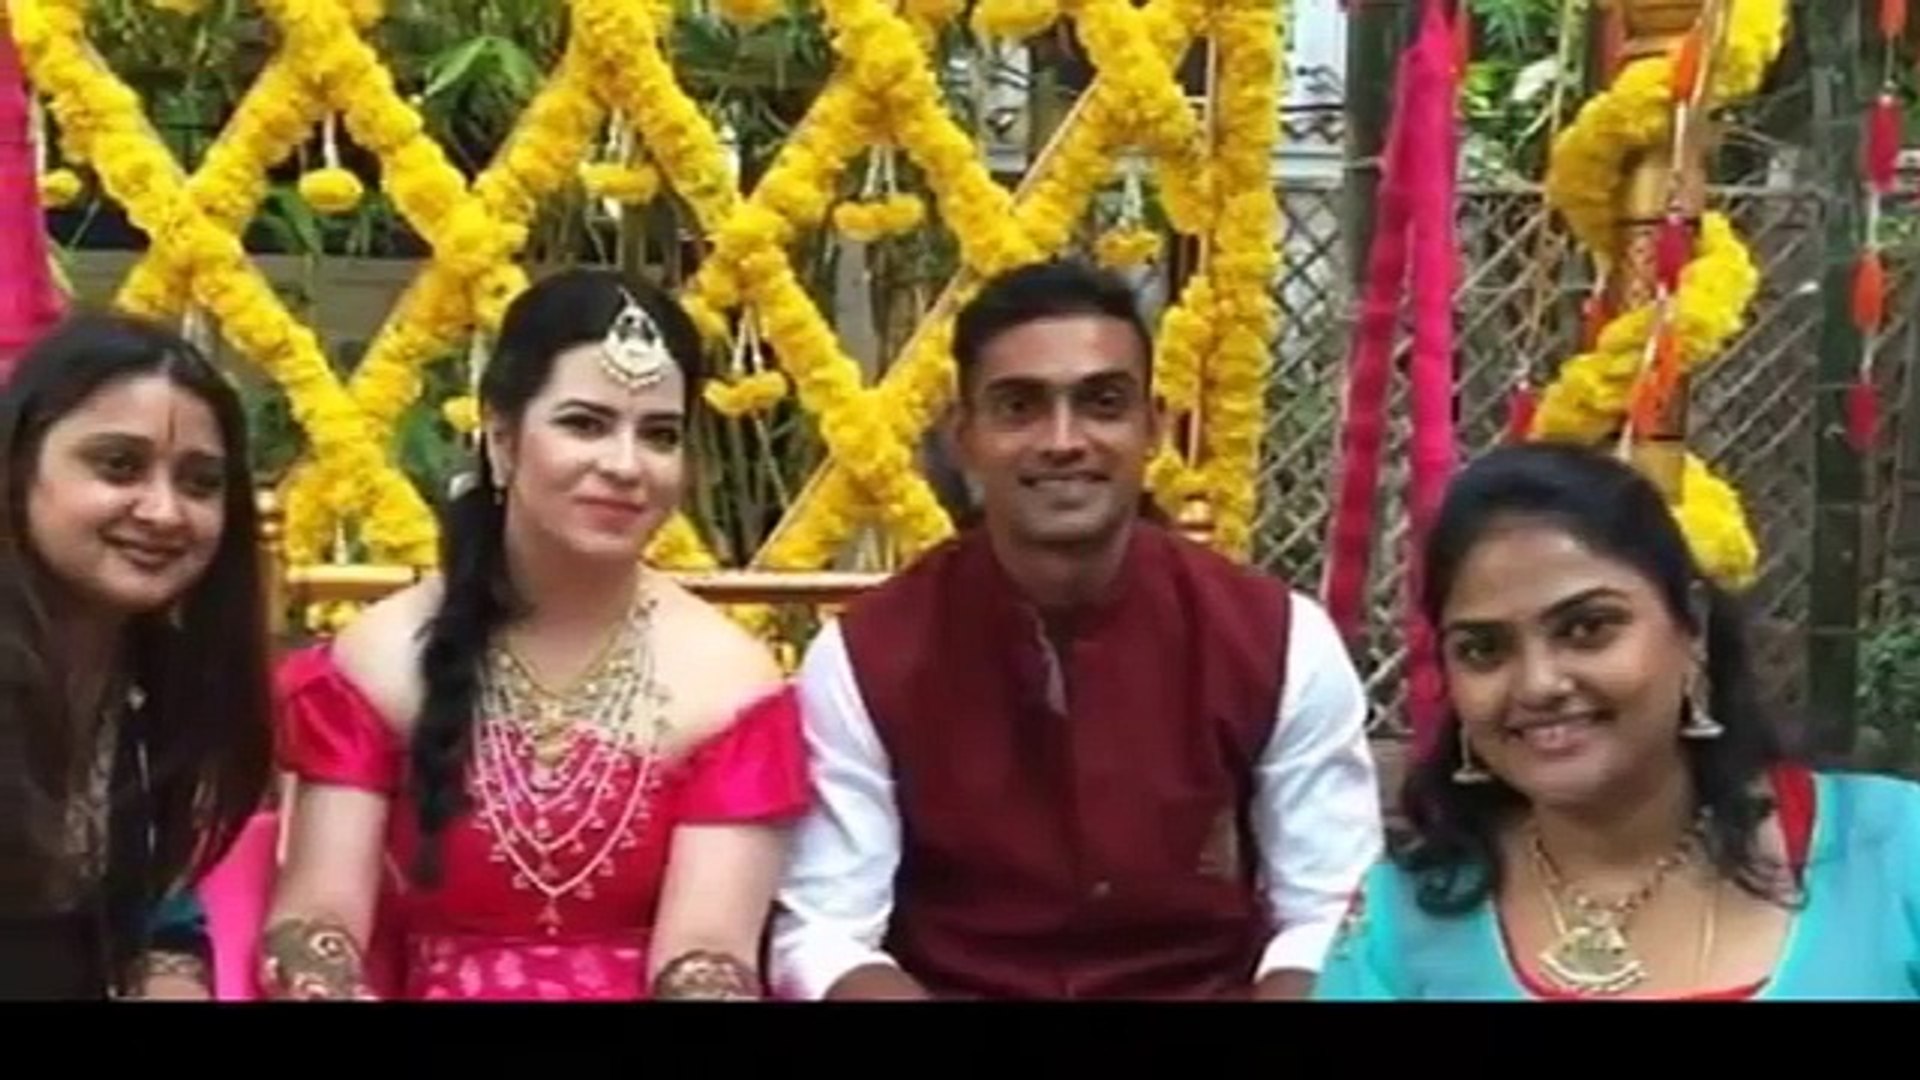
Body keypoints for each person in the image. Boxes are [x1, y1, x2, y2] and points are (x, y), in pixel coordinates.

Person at [768, 259, 1384, 1000]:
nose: (1063, 440)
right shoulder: (869, 655)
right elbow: (826, 932)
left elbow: (1330, 914)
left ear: (1153, 427)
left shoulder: (1275, 640)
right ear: (963, 436)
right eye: (1019, 407)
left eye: (1102, 403)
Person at [259, 268, 812, 1001]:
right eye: (585, 424)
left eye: (659, 435)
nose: (625, 466)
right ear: (501, 435)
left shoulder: (730, 683)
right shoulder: (380, 659)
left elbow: (707, 951)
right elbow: (318, 917)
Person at [1314, 441, 1920, 1001]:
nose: (1538, 684)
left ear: (1692, 629)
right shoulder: (1404, 921)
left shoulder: (1891, 853)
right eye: (1483, 650)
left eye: (1587, 629)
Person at [0, 312, 275, 999]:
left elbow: (163, 920)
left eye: (200, 483)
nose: (164, 512)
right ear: (18, 466)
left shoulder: (168, 685)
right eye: (118, 466)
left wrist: (170, 977)